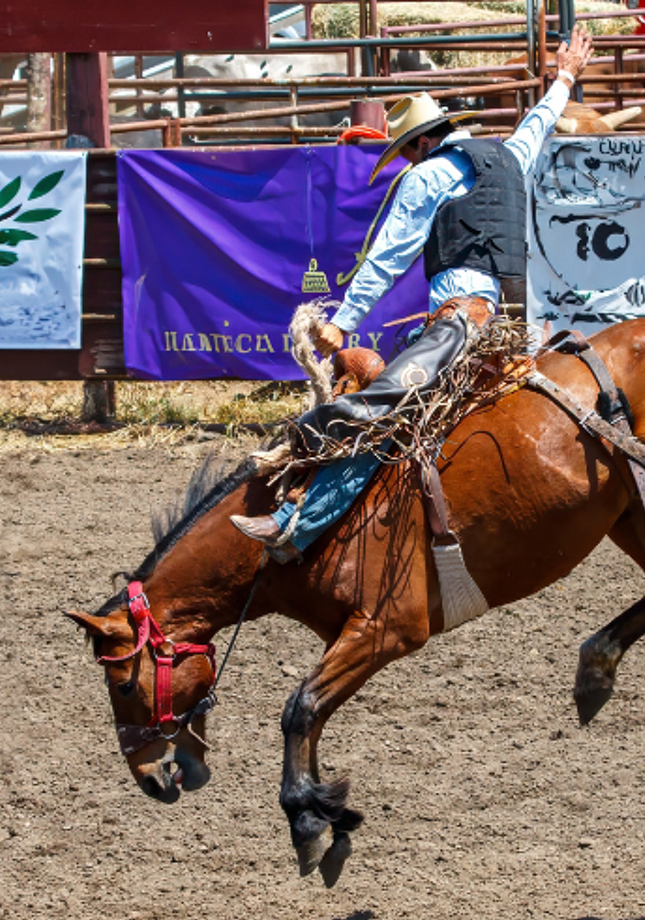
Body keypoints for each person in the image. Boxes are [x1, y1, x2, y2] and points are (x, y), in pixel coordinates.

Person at [231, 28, 597, 559]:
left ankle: (296, 521)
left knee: (379, 409)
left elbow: (388, 256)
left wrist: (345, 320)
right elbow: (537, 123)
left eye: (405, 152)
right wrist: (564, 76)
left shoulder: (426, 177)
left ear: (422, 143)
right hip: (507, 331)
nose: (405, 162)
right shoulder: (508, 157)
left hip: (459, 326)